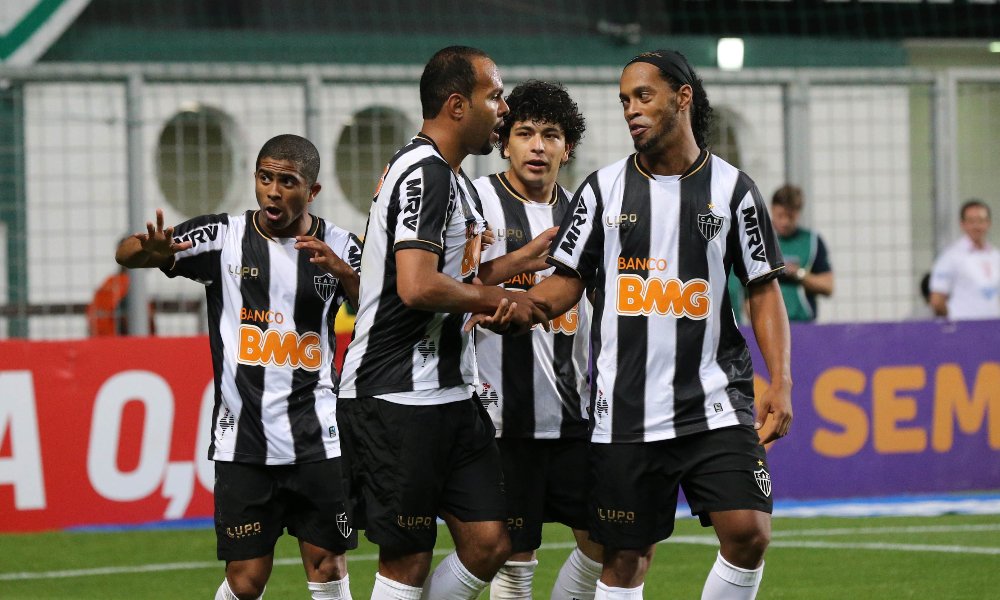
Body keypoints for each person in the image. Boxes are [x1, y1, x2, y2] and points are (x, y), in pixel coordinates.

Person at [478, 50, 793, 599]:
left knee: (748, 532)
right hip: (624, 413)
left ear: (683, 98)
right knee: (624, 559)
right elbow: (566, 282)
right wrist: (522, 308)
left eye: (643, 97)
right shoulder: (601, 192)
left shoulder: (734, 191)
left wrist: (782, 379)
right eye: (624, 101)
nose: (631, 111)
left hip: (714, 401)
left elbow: (763, 288)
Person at [336, 46, 550, 600]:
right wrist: (491, 295)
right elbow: (416, 284)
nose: (503, 109)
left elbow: (455, 275)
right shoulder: (424, 173)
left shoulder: (450, 178)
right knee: (406, 560)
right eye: (494, 96)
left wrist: (516, 267)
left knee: (489, 542)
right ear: (458, 105)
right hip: (394, 396)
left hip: (453, 395)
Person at [115, 134, 361, 600]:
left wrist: (347, 274)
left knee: (327, 567)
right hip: (243, 441)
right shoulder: (222, 236)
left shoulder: (342, 245)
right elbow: (127, 254)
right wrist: (151, 249)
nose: (272, 190)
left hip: (317, 437)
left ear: (312, 192)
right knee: (246, 581)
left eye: (287, 181)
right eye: (264, 177)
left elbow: (383, 308)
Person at [471, 80, 603, 600]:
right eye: (525, 133)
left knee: (610, 539)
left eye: (551, 135)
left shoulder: (586, 213)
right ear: (505, 141)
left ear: (567, 147)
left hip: (574, 414)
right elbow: (440, 286)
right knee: (514, 556)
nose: (538, 146)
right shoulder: (476, 201)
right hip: (501, 417)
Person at [768, 184, 833, 322]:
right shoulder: (760, 241)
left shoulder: (812, 241)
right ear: (772, 210)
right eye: (780, 215)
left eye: (790, 217)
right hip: (771, 326)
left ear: (798, 213)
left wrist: (798, 274)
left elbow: (828, 286)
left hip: (803, 325)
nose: (785, 222)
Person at [929, 199, 1000, 320]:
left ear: (988, 223)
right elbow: (937, 300)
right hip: (964, 328)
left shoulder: (996, 256)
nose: (976, 226)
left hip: (993, 328)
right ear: (962, 224)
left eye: (981, 221)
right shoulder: (950, 257)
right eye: (971, 221)